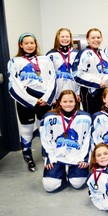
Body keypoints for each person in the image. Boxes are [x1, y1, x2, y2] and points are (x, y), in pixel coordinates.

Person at [7, 32, 56, 172]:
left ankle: (46, 153)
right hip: (26, 100)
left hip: (44, 100)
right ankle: (27, 155)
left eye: (32, 43)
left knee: (44, 128)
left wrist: (46, 98)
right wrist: (32, 101)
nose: (29, 45)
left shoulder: (45, 59)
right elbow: (13, 84)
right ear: (21, 45)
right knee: (27, 128)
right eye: (26, 43)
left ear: (36, 44)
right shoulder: (14, 62)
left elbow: (52, 79)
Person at [40, 90, 92, 192]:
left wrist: (84, 158)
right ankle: (62, 172)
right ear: (59, 102)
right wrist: (49, 157)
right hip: (56, 157)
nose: (68, 104)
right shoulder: (49, 117)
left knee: (77, 183)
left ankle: (71, 171)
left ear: (76, 101)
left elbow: (88, 140)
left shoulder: (85, 117)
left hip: (77, 157)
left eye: (71, 101)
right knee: (49, 186)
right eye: (65, 101)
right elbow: (44, 138)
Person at [72, 28, 108, 115]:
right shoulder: (84, 53)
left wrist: (104, 82)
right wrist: (98, 82)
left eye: (98, 37)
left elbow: (107, 71)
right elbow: (76, 74)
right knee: (91, 117)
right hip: (89, 93)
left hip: (103, 91)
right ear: (87, 39)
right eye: (93, 38)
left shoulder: (102, 53)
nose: (96, 40)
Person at [46, 28, 80, 102]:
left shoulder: (77, 53)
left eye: (67, 36)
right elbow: (48, 77)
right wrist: (51, 95)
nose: (65, 39)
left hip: (74, 94)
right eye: (62, 36)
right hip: (57, 95)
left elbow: (81, 74)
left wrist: (78, 93)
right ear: (57, 38)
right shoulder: (50, 54)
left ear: (70, 38)